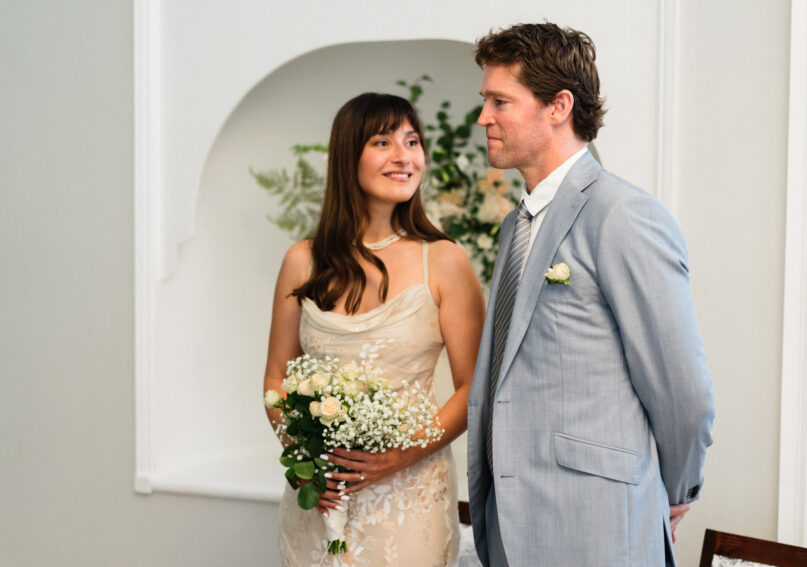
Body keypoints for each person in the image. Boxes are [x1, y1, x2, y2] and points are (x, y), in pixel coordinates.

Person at [466, 23, 716, 566]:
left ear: (559, 105)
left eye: (499, 101)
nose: (483, 117)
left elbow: (682, 387)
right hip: (510, 524)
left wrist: (674, 493)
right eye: (485, 101)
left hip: (597, 528)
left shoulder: (623, 215)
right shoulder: (515, 226)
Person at [263, 92, 485, 567]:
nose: (404, 156)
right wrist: (303, 462)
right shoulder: (302, 260)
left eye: (413, 141)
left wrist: (401, 455)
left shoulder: (444, 261)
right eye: (383, 142)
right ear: (349, 157)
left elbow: (475, 387)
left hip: (409, 500)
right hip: (318, 499)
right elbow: (275, 380)